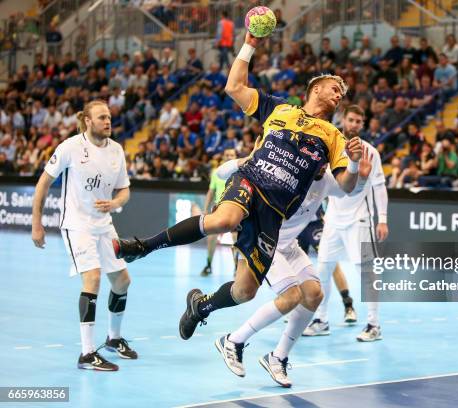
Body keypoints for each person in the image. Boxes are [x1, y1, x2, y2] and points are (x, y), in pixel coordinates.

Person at [113, 32, 363, 342]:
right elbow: (234, 87)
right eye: (334, 88)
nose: (339, 95)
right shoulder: (280, 109)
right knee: (223, 220)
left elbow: (347, 186)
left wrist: (352, 162)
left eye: (342, 93)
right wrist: (250, 45)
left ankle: (201, 307)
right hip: (251, 179)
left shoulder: (333, 137)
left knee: (244, 291)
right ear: (315, 88)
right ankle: (142, 247)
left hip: (273, 213)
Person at [210, 142, 373, 387]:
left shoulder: (327, 180)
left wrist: (357, 169)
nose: (323, 165)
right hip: (267, 242)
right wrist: (247, 159)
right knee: (290, 296)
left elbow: (350, 190)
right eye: (319, 160)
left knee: (314, 294)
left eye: (326, 161)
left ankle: (278, 357)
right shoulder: (287, 173)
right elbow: (221, 173)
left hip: (290, 246)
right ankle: (233, 340)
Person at [31, 100, 137, 371]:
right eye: (101, 117)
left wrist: (114, 203)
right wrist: (36, 223)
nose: (107, 121)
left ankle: (113, 339)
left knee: (123, 281)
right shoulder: (70, 147)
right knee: (92, 277)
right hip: (77, 225)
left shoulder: (116, 151)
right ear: (88, 121)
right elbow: (43, 182)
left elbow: (124, 190)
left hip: (104, 224)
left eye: (109, 117)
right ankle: (87, 354)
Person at [303, 105, 389, 341]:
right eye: (351, 120)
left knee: (367, 273)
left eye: (358, 122)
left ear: (362, 125)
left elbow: (379, 187)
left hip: (358, 220)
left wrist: (382, 219)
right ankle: (321, 320)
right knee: (323, 270)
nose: (354, 125)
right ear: (343, 120)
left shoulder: (370, 152)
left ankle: (374, 325)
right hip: (332, 219)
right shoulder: (331, 146)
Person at [200, 148, 238, 276]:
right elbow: (211, 192)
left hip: (235, 209)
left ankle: (237, 268)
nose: (229, 156)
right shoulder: (217, 173)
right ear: (223, 157)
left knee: (236, 239)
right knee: (211, 238)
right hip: (218, 209)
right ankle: (209, 265)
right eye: (227, 154)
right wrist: (205, 209)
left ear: (235, 156)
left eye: (231, 155)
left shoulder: (241, 172)